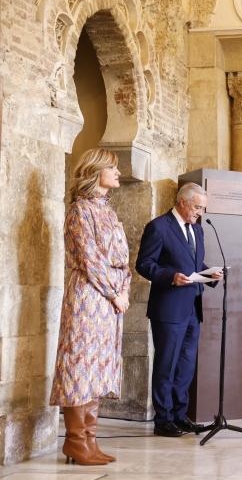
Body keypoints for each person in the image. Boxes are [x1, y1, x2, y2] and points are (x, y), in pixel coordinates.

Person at [50, 148, 131, 465]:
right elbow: (90, 259)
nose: (119, 173)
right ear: (95, 171)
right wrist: (114, 292)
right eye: (113, 167)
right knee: (80, 363)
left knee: (99, 364)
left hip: (110, 299)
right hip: (88, 296)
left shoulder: (108, 211)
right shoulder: (80, 211)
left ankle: (90, 440)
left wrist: (122, 287)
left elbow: (122, 259)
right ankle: (75, 441)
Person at [136, 182, 223, 437]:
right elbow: (144, 264)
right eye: (197, 207)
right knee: (167, 363)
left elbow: (194, 262)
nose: (200, 213)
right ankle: (163, 419)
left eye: (203, 208)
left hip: (193, 308)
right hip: (169, 309)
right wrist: (170, 276)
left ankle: (179, 415)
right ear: (182, 202)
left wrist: (211, 274)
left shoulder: (197, 229)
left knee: (185, 365)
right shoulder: (158, 227)